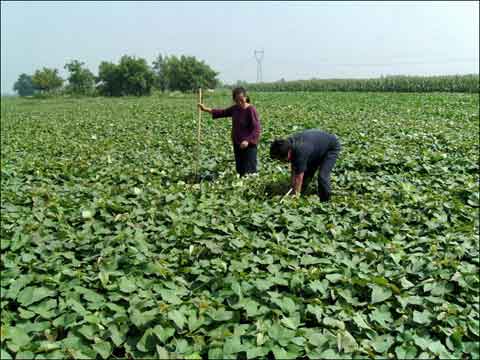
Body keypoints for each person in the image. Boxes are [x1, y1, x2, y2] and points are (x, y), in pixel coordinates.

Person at [198, 87, 261, 176]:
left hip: (249, 146)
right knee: (240, 169)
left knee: (249, 170)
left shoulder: (251, 110)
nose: (239, 102)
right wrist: (206, 109)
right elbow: (222, 112)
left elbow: (256, 129)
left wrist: (247, 140)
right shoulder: (235, 108)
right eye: (236, 100)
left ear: (246, 97)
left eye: (241, 100)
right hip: (237, 143)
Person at [270, 129, 341, 202]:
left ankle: (326, 200)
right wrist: (292, 186)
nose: (281, 161)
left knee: (322, 176)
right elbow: (294, 168)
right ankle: (302, 192)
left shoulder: (300, 151)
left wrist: (295, 196)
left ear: (288, 153)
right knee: (304, 178)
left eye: (281, 159)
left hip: (331, 148)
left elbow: (299, 176)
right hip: (315, 148)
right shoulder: (286, 145)